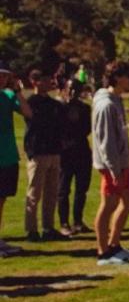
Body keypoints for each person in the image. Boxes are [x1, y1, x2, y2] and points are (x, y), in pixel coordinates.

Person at [92, 60, 129, 265]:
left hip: (123, 163)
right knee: (108, 205)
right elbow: (105, 142)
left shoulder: (117, 100)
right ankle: (103, 252)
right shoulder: (106, 104)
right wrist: (114, 170)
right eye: (128, 76)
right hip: (112, 166)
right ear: (117, 77)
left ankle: (114, 244)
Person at [23, 69, 66, 242]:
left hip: (54, 151)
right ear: (35, 82)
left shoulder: (54, 104)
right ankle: (31, 230)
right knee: (34, 193)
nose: (50, 83)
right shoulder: (31, 103)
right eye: (45, 79)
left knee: (51, 193)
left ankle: (48, 227)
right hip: (38, 152)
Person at [0, 61, 33, 257]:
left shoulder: (8, 95)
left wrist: (18, 91)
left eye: (5, 75)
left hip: (8, 155)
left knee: (2, 200)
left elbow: (28, 113)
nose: (3, 78)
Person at [57, 79, 92, 235]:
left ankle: (78, 221)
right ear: (65, 89)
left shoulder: (85, 108)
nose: (72, 92)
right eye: (70, 89)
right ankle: (64, 223)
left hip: (82, 152)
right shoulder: (60, 108)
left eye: (75, 89)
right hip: (65, 153)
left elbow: (86, 129)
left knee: (81, 189)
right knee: (64, 189)